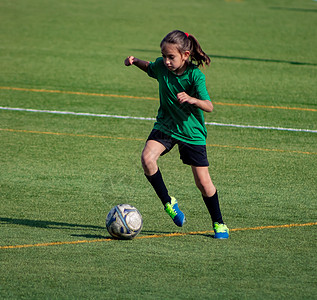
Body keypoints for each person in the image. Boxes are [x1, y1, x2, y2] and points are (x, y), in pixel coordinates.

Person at [124, 30, 229, 239]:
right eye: (164, 56)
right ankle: (168, 203)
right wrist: (135, 61)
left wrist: (192, 99)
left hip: (192, 132)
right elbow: (149, 67)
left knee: (203, 183)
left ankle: (219, 223)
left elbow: (209, 106)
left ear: (186, 55)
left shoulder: (195, 76)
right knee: (147, 158)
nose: (167, 61)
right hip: (167, 126)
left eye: (171, 57)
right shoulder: (162, 67)